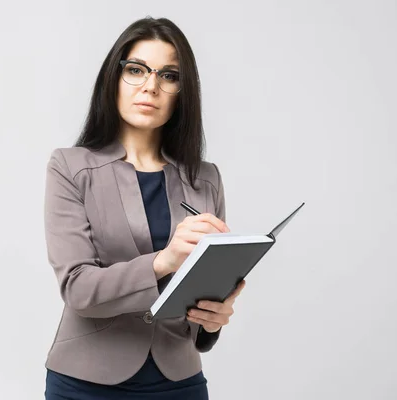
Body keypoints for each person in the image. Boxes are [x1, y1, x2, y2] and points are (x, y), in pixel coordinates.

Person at [43, 16, 246, 399]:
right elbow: (78, 289)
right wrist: (163, 261)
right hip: (86, 383)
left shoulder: (205, 178)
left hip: (180, 381)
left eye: (169, 76)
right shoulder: (71, 168)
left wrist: (213, 320)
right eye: (136, 70)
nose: (150, 87)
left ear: (183, 91)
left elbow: (201, 302)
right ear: (114, 79)